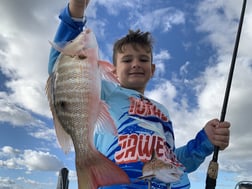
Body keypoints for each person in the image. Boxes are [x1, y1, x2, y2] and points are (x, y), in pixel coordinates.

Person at [48, 0, 231, 188]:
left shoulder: (162, 111)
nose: (136, 63)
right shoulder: (106, 92)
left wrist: (204, 142)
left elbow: (172, 161)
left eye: (143, 59)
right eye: (127, 60)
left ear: (152, 70)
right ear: (112, 71)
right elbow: (61, 69)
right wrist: (75, 13)